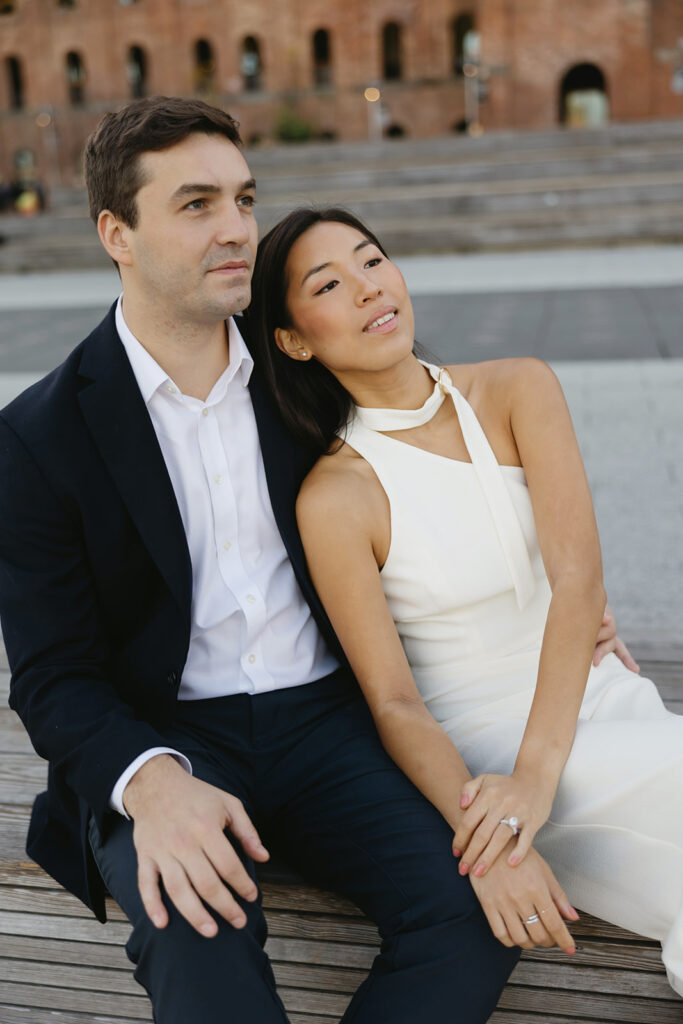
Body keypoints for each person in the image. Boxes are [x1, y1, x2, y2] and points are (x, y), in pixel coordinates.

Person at [0, 96, 607, 1024]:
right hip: (171, 739)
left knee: (472, 914)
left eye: (244, 200)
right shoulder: (40, 435)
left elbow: (431, 450)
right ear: (116, 233)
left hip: (331, 726)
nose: (237, 229)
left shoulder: (297, 359)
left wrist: (544, 615)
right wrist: (154, 788)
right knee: (194, 936)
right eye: (196, 204)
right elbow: (51, 676)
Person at [245, 205, 683, 995]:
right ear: (293, 340)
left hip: (593, 703)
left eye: (372, 261)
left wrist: (537, 776)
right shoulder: (336, 496)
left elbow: (578, 584)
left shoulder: (518, 387)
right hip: (484, 757)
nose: (368, 290)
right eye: (329, 284)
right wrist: (508, 804)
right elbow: (394, 703)